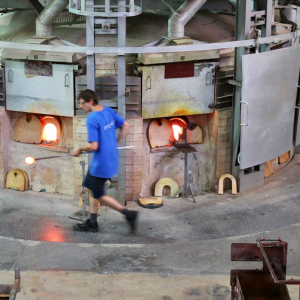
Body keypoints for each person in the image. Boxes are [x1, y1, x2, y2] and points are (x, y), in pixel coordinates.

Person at [72, 89, 138, 233]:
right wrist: (118, 142)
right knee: (91, 188)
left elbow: (93, 146)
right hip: (109, 160)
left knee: (99, 194)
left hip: (101, 163)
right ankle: (93, 222)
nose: (81, 106)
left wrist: (79, 149)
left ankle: (129, 214)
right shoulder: (108, 111)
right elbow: (126, 125)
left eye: (82, 103)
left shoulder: (92, 118)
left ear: (90, 101)